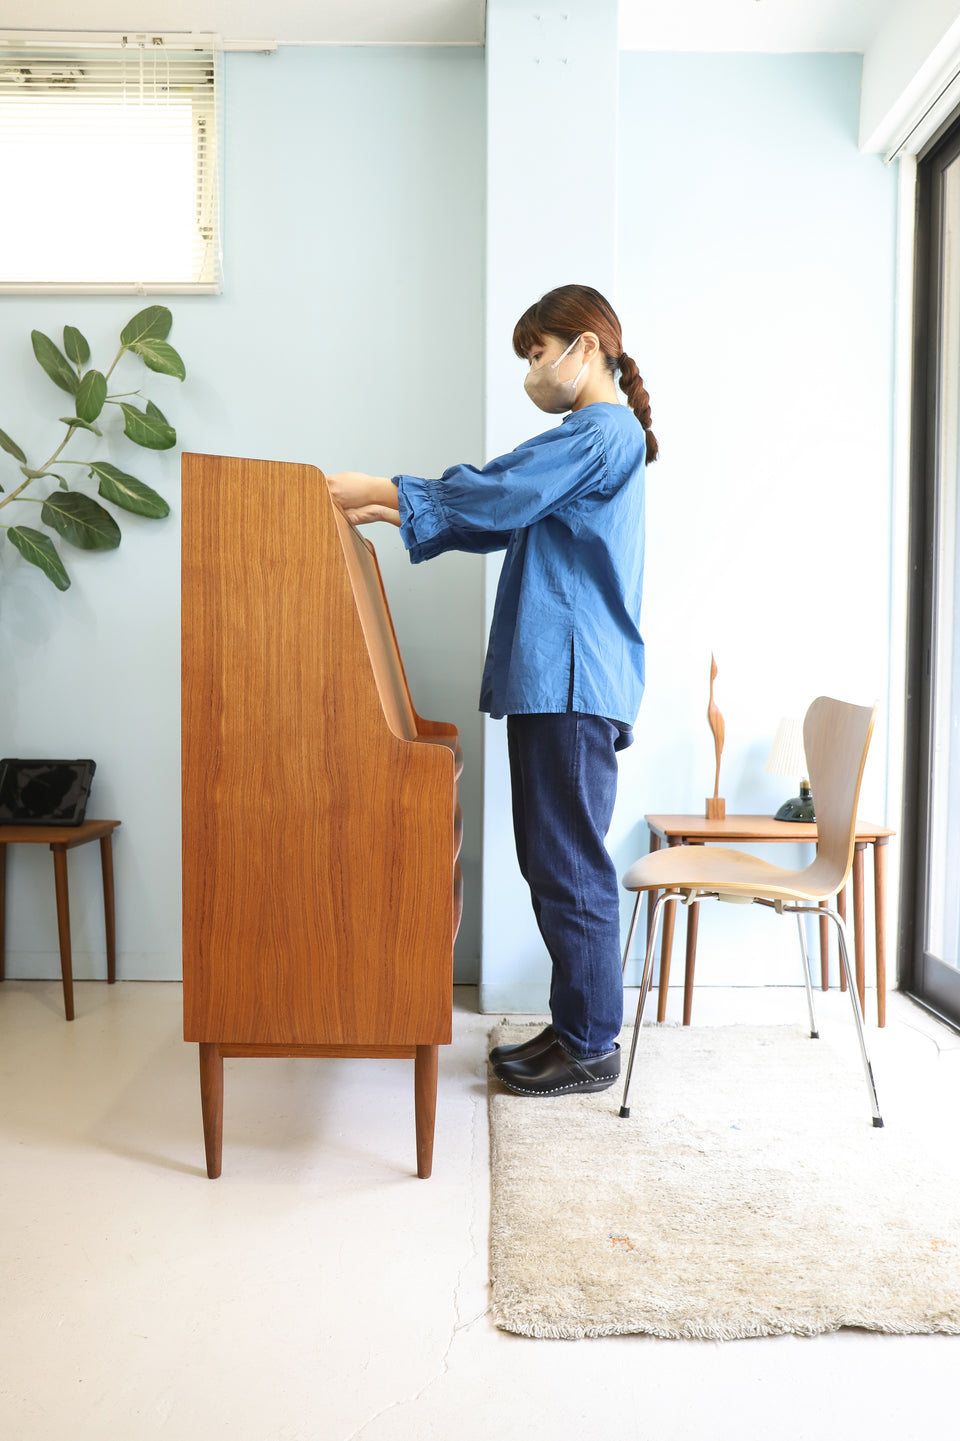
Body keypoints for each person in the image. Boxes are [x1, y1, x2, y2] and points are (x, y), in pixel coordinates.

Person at [326, 283, 656, 1097]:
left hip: (572, 682)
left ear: (585, 347)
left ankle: (589, 1045)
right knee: (553, 859)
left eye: (538, 354)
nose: (532, 373)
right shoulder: (594, 437)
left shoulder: (602, 429)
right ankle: (576, 1026)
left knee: (568, 862)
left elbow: (509, 489)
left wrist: (393, 488)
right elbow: (505, 513)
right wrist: (393, 505)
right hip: (560, 683)